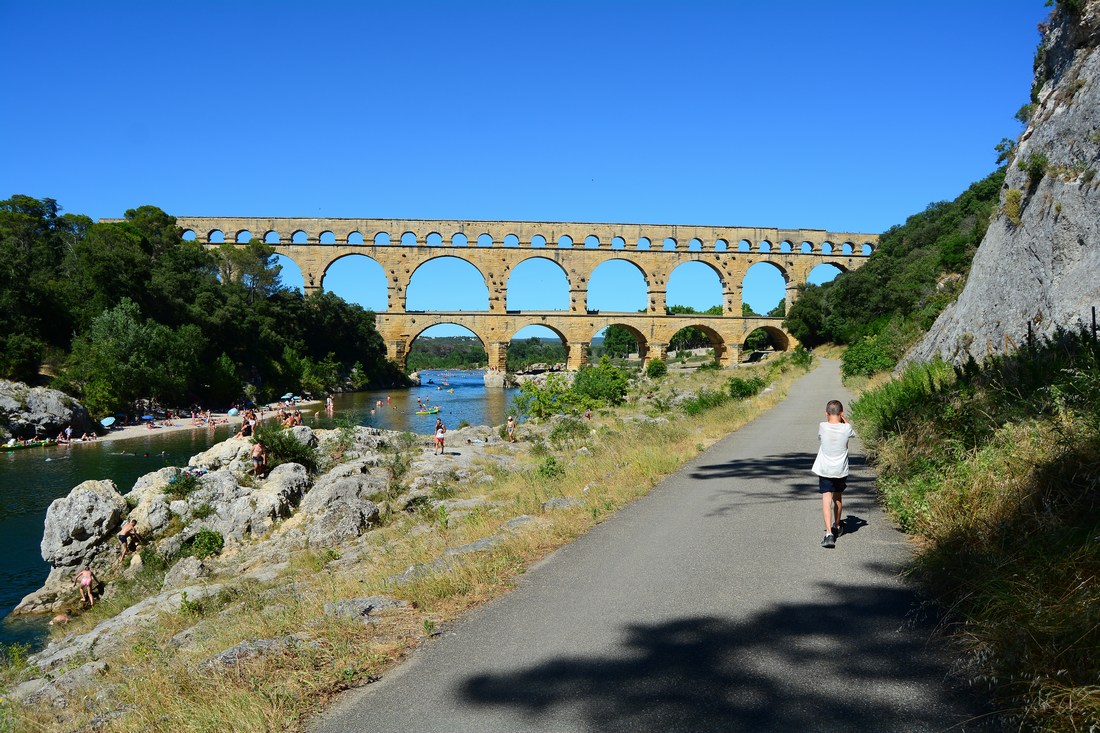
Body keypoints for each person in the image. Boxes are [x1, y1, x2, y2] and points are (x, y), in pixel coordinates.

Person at [812, 399, 856, 549]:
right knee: (838, 497)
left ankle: (829, 534)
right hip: (840, 469)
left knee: (826, 497)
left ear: (826, 413)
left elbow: (820, 438)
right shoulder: (847, 428)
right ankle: (837, 525)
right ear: (841, 413)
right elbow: (852, 433)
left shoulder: (822, 426)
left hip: (825, 469)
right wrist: (845, 420)